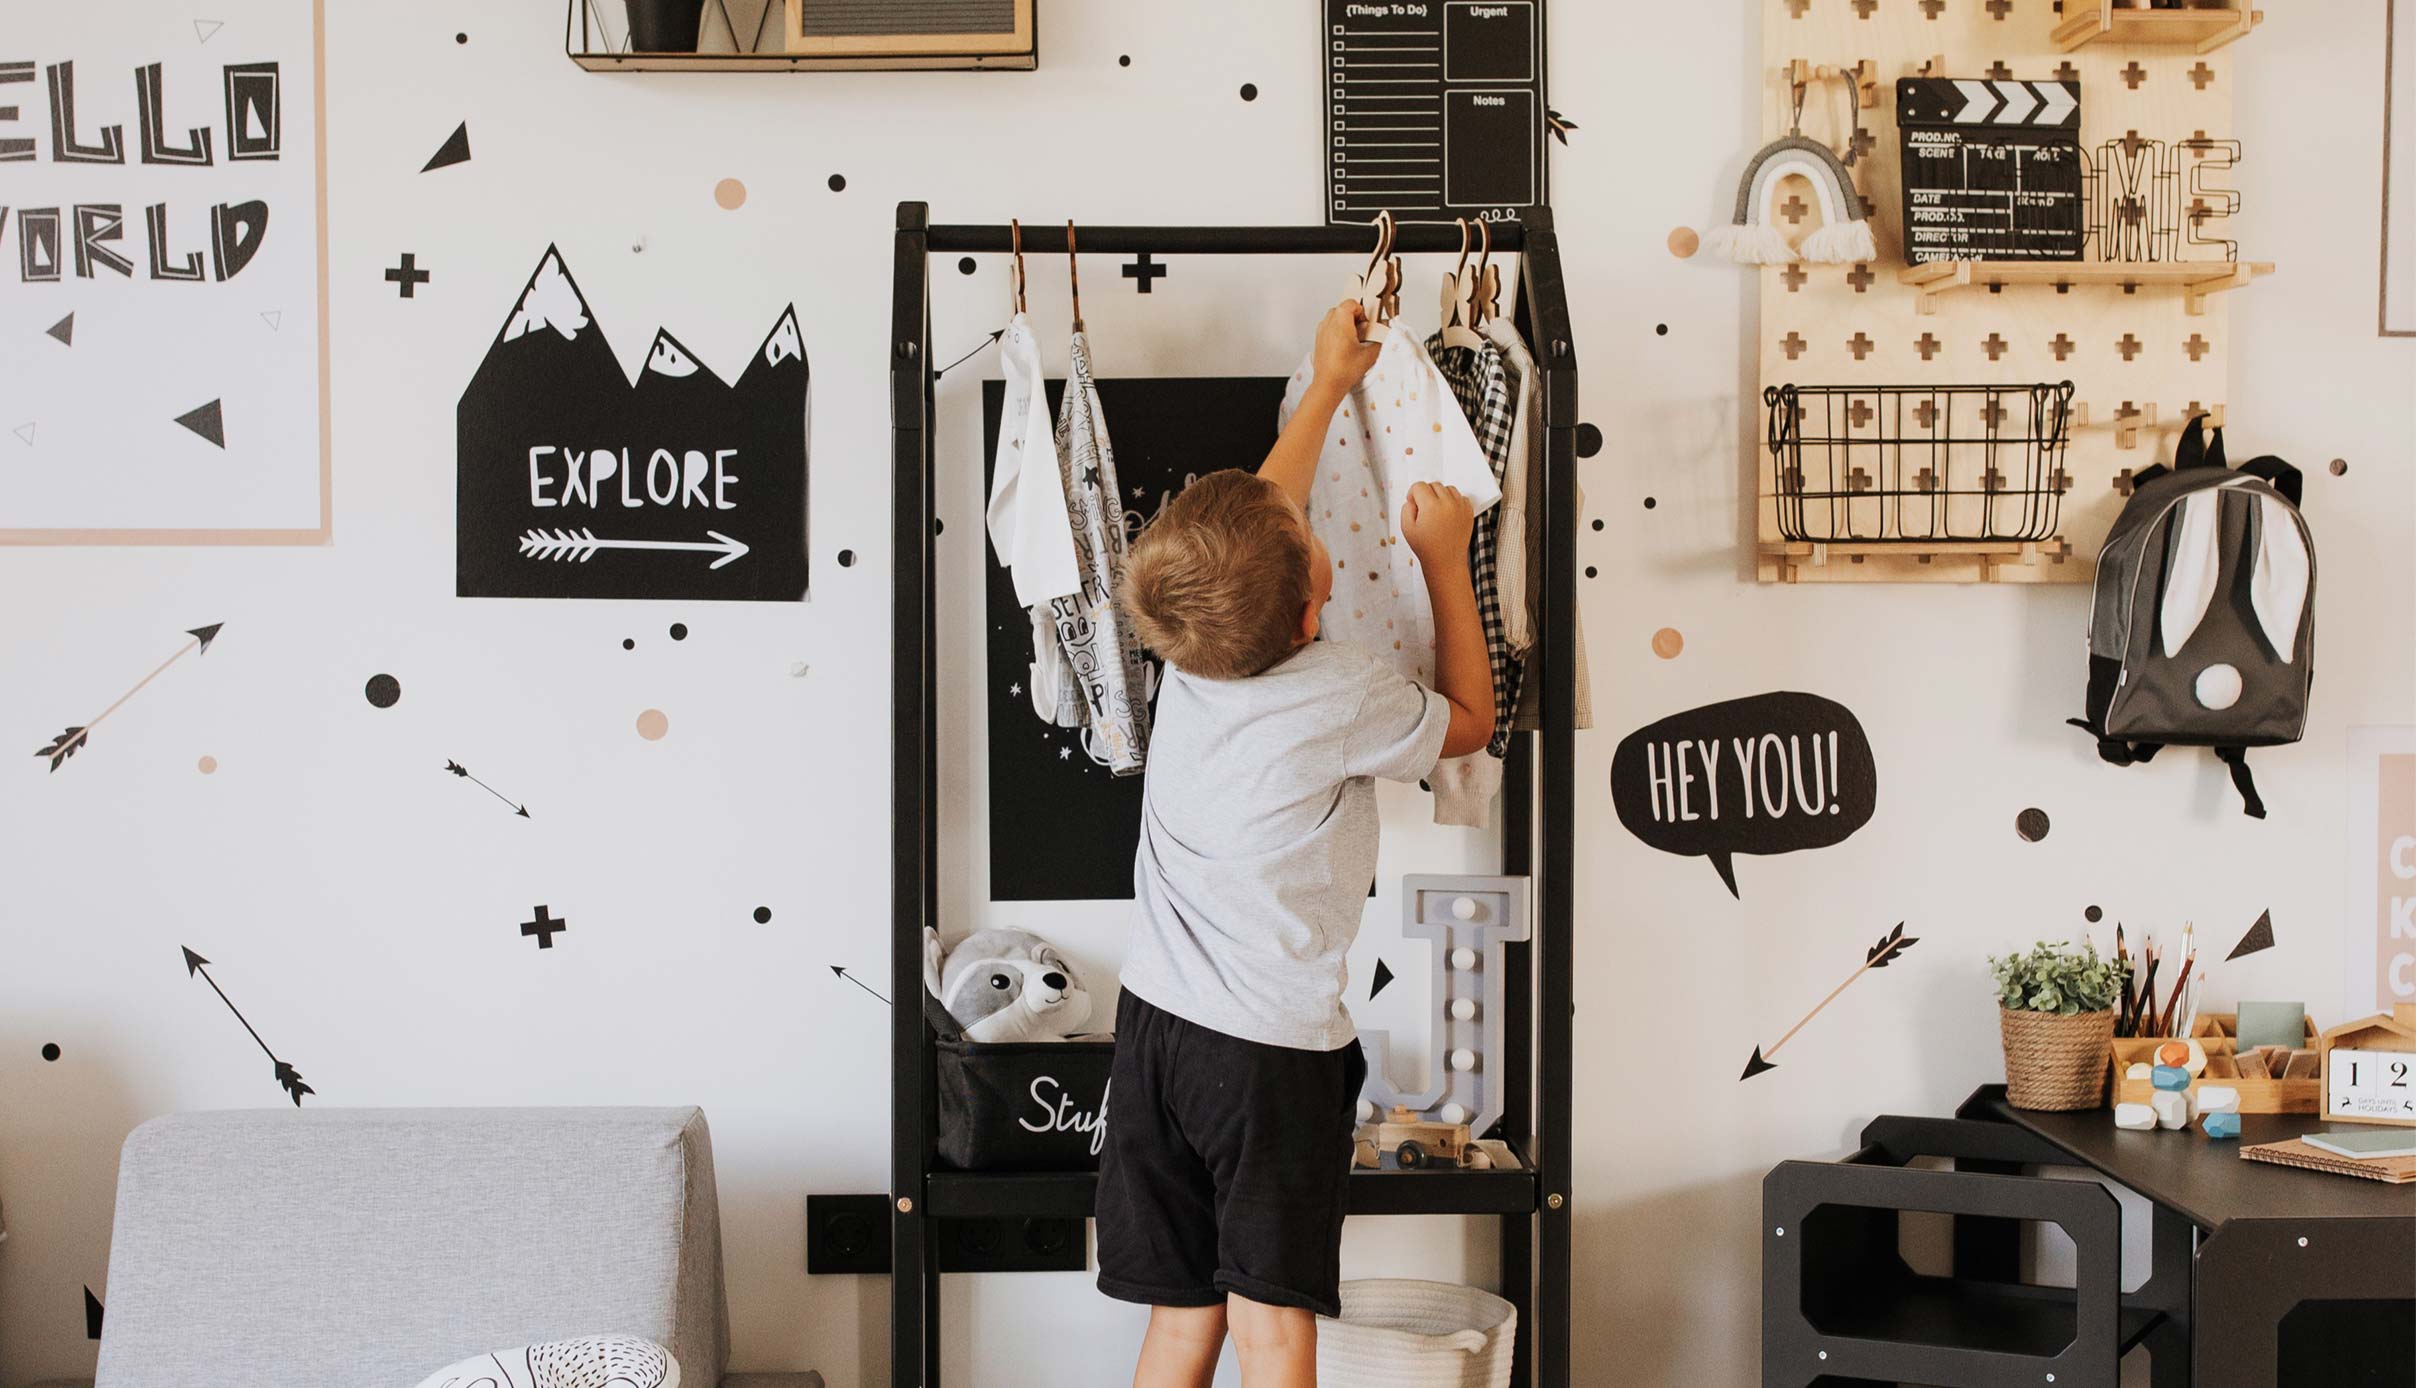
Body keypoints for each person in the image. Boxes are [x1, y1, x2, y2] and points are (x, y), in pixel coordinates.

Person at [1095, 300, 1494, 1388]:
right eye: (1319, 549)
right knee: (1271, 1325)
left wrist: (1325, 382)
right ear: (1315, 607)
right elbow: (1466, 720)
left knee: (1181, 1323)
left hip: (1155, 1030)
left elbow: (1272, 507)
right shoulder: (1343, 687)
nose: (1315, 524)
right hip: (1265, 1054)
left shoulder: (1186, 647)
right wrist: (1441, 559)